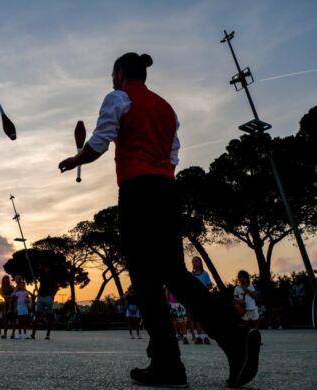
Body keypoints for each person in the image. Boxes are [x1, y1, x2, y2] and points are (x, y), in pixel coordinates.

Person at [58, 52, 261, 388]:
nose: (111, 79)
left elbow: (100, 140)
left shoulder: (118, 97)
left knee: (145, 278)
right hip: (167, 189)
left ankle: (169, 365)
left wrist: (76, 158)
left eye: (113, 73)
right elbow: (173, 154)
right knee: (175, 274)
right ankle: (232, 338)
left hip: (137, 191)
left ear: (121, 73)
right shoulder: (167, 108)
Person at [30, 262, 59, 340]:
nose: (44, 268)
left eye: (45, 267)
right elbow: (35, 274)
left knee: (49, 316)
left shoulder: (53, 275)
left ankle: (48, 334)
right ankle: (33, 334)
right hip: (40, 296)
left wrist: (53, 296)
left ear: (48, 267)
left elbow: (56, 286)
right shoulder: (42, 274)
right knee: (37, 315)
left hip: (48, 297)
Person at [191, 256, 212, 344]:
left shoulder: (205, 274)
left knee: (205, 318)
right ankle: (199, 336)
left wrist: (205, 288)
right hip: (195, 299)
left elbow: (210, 285)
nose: (194, 263)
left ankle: (206, 336)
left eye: (196, 261)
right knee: (197, 318)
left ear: (200, 262)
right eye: (193, 262)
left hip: (204, 298)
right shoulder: (191, 275)